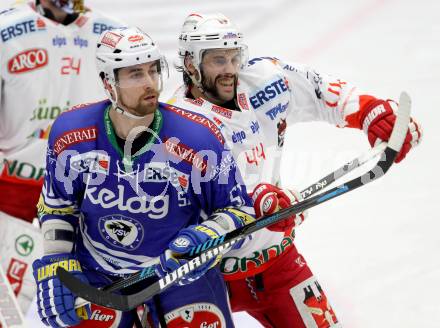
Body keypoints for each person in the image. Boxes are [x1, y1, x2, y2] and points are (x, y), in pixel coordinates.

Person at [168, 13, 423, 328]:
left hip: (276, 260)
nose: (231, 69)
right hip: (208, 276)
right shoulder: (175, 126)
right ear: (191, 64)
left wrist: (370, 112)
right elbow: (179, 212)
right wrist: (254, 204)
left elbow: (321, 91)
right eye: (219, 60)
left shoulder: (264, 78)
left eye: (235, 57)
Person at [33, 26, 255, 328]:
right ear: (108, 82)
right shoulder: (72, 134)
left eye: (153, 70)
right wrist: (56, 262)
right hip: (98, 272)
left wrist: (207, 238)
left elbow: (240, 212)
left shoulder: (197, 138)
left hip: (178, 273)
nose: (151, 83)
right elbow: (57, 204)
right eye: (136, 74)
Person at [0, 0, 126, 319]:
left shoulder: (115, 35)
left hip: (86, 194)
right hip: (12, 191)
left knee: (90, 306)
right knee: (8, 306)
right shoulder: (6, 29)